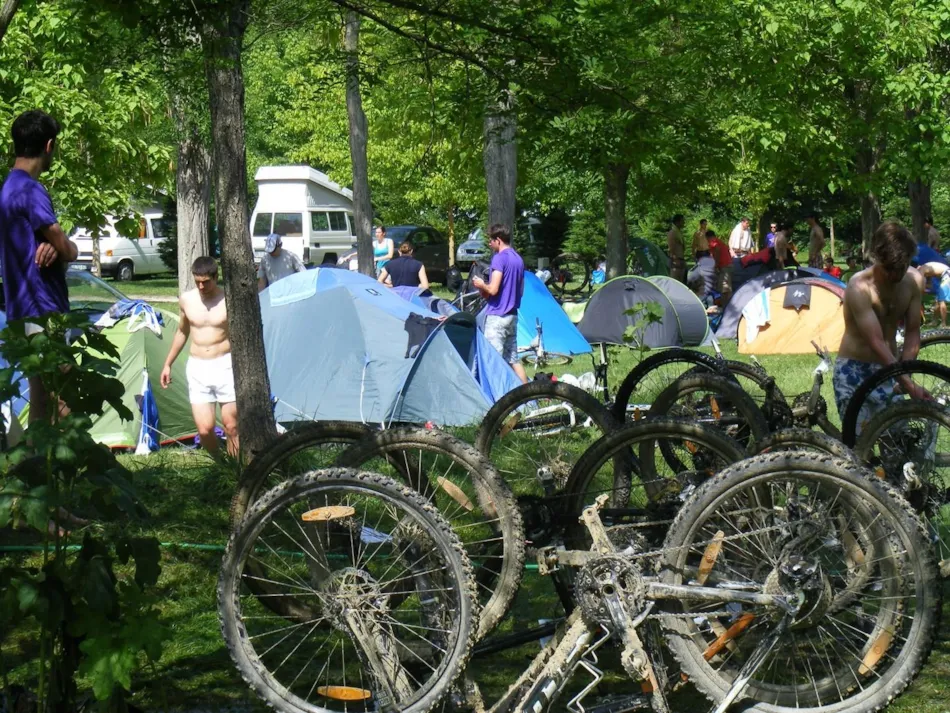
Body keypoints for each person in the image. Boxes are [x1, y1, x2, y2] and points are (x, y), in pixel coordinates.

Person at [0, 110, 78, 423]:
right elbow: (68, 250)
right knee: (62, 391)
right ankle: (69, 468)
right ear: (48, 146)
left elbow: (40, 245)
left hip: (19, 307)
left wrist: (48, 246)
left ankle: (32, 469)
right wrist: (61, 248)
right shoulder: (31, 191)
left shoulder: (7, 188)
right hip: (43, 306)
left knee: (40, 397)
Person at [833, 222, 925, 436]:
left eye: (902, 267)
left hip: (891, 368)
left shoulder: (913, 282)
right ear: (876, 257)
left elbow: (912, 331)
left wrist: (906, 371)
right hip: (854, 372)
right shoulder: (859, 287)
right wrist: (909, 385)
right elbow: (876, 342)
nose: (896, 274)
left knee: (898, 447)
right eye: (890, 268)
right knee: (858, 449)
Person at [160, 257, 239, 459]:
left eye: (206, 281)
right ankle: (220, 464)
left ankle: (235, 470)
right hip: (197, 368)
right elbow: (181, 333)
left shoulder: (228, 300)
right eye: (198, 282)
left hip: (225, 365)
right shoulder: (187, 300)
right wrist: (168, 364)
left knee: (232, 426)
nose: (202, 286)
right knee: (204, 430)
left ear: (215, 277)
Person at [472, 224, 528, 384]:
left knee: (493, 361)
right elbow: (521, 291)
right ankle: (530, 398)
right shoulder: (518, 259)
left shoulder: (499, 258)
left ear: (498, 240)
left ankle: (497, 402)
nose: (489, 244)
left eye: (491, 240)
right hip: (512, 316)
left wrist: (481, 284)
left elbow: (493, 289)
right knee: (513, 359)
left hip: (497, 316)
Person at [919, 261, 950, 327]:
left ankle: (943, 324)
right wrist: (925, 289)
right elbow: (929, 285)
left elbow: (920, 284)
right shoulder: (927, 271)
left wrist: (921, 291)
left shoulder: (921, 270)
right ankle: (934, 321)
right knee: (937, 302)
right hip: (945, 275)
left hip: (947, 275)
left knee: (941, 300)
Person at [707, 230, 733, 303]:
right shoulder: (719, 241)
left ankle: (726, 305)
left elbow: (717, 251)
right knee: (726, 286)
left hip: (725, 265)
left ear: (708, 237)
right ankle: (727, 304)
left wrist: (716, 265)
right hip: (728, 264)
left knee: (724, 286)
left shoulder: (713, 242)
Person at [667, 214, 686, 282]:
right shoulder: (672, 233)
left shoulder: (679, 233)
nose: (684, 222)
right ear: (677, 222)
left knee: (680, 283)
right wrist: (675, 260)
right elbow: (671, 247)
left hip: (681, 260)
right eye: (682, 221)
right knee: (674, 282)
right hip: (675, 261)